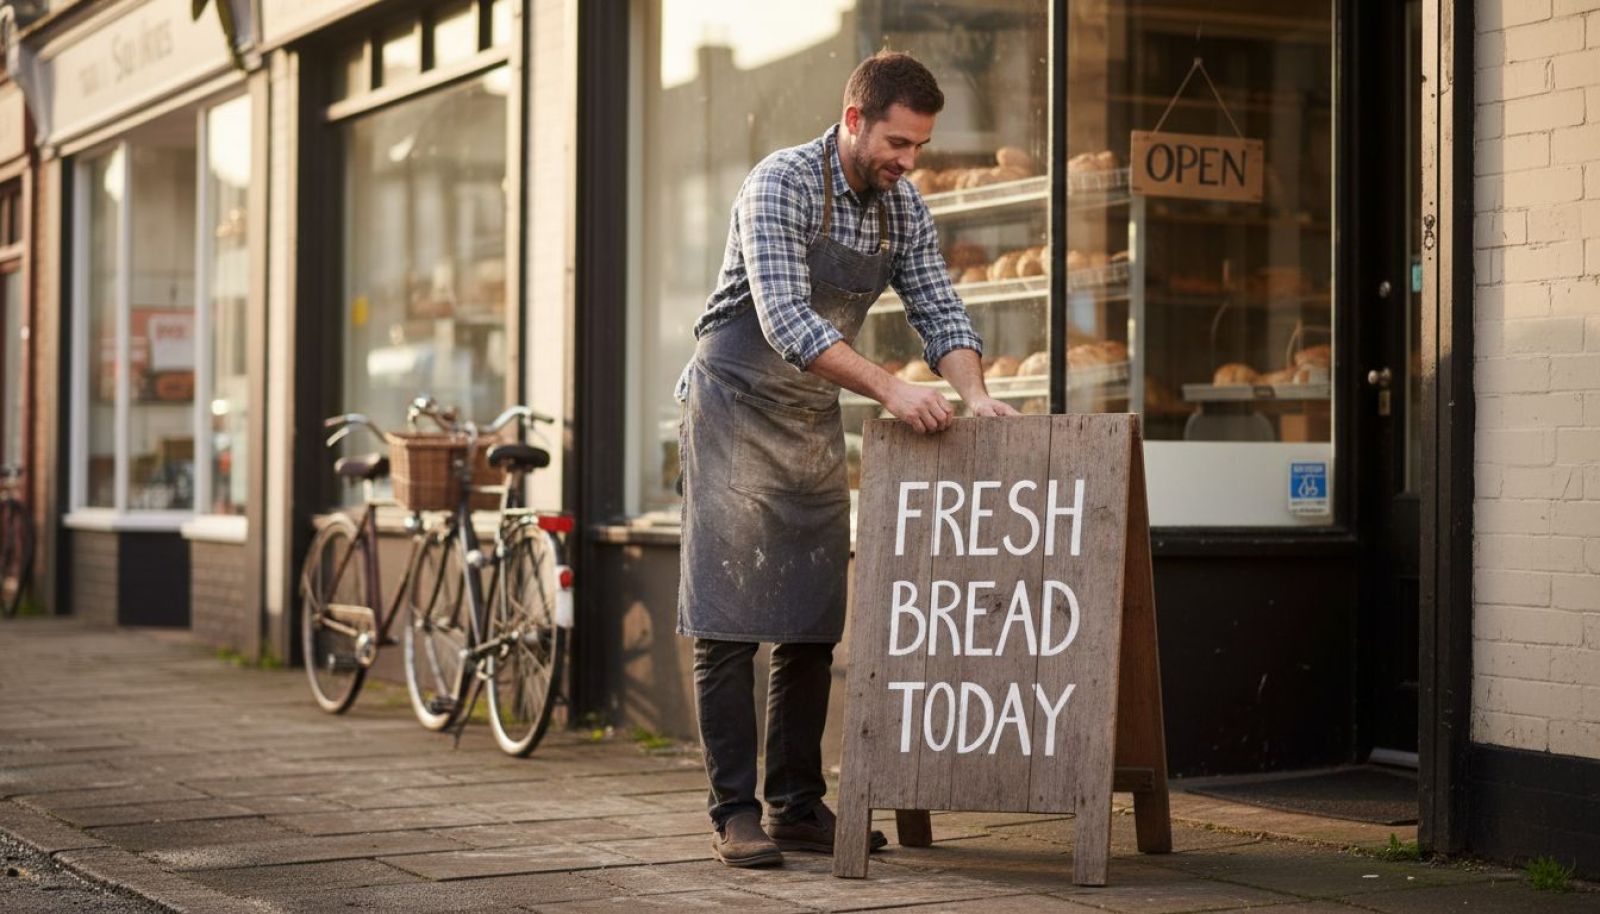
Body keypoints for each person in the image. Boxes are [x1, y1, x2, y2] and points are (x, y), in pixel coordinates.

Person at [676, 50, 1019, 869]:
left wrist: (975, 397)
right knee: (727, 620)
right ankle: (734, 810)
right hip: (731, 403)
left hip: (810, 415)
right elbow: (788, 317)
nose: (908, 163)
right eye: (899, 144)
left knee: (808, 619)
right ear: (855, 119)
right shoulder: (780, 182)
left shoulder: (901, 206)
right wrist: (894, 392)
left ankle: (798, 803)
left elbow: (939, 303)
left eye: (920, 149)